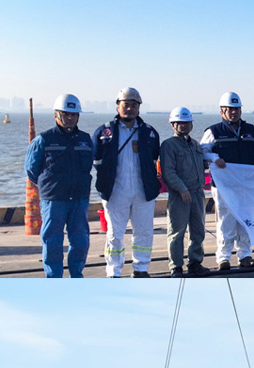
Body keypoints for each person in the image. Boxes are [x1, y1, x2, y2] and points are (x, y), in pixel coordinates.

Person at [23, 94, 96, 278]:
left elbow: (90, 165)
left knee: (80, 241)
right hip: (54, 200)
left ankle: (76, 276)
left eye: (73, 114)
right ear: (56, 115)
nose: (70, 118)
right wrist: (49, 185)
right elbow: (31, 170)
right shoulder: (43, 139)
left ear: (78, 116)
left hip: (79, 199)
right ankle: (54, 279)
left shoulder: (86, 139)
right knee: (52, 241)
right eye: (65, 114)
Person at [94, 87, 162, 278]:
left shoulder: (149, 132)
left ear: (139, 108)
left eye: (134, 105)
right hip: (115, 191)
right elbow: (95, 159)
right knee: (115, 233)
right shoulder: (104, 132)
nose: (130, 109)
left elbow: (154, 158)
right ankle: (113, 271)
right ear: (118, 106)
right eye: (126, 105)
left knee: (144, 232)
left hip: (143, 190)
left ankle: (141, 268)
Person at [199, 91, 254, 271]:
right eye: (229, 109)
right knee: (226, 221)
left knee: (245, 221)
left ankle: (245, 255)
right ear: (222, 112)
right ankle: (223, 257)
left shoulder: (251, 131)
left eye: (236, 109)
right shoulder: (213, 131)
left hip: (247, 185)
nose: (233, 112)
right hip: (223, 186)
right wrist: (214, 158)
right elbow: (202, 151)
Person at [159, 107, 210, 276]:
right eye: (180, 123)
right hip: (180, 195)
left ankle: (195, 263)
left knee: (198, 231)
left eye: (187, 123)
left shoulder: (195, 145)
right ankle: (176, 266)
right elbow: (168, 172)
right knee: (177, 232)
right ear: (173, 125)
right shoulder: (168, 145)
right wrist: (182, 189)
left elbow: (201, 165)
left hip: (197, 193)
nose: (184, 126)